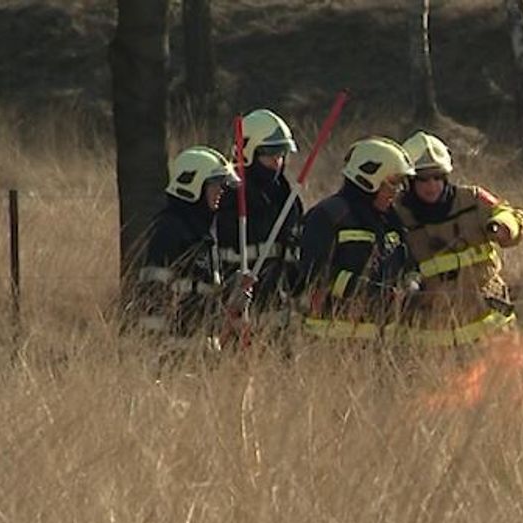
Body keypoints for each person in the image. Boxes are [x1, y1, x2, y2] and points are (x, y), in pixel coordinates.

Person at [391, 131, 523, 346]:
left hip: (491, 327)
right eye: (423, 179)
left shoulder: (471, 200)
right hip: (434, 336)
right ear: (409, 181)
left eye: (437, 177)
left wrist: (505, 227)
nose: (432, 186)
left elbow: (511, 215)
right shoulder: (398, 216)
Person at [297, 137, 417, 340]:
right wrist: (368, 291)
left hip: (384, 345)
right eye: (393, 184)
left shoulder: (392, 220)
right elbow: (314, 275)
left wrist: (410, 285)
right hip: (331, 342)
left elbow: (408, 264)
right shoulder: (328, 216)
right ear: (368, 179)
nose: (397, 192)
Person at [134, 146, 240, 346]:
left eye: (223, 184)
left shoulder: (205, 233)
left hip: (202, 351)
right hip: (174, 353)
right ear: (192, 185)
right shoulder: (169, 231)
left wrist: (232, 290)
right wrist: (154, 351)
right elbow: (153, 294)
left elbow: (203, 293)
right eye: (214, 184)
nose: (221, 190)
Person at [217, 109, 302, 326]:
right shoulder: (226, 198)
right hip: (231, 313)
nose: (277, 163)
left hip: (277, 318)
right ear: (247, 154)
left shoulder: (288, 199)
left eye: (281, 155)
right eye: (269, 155)